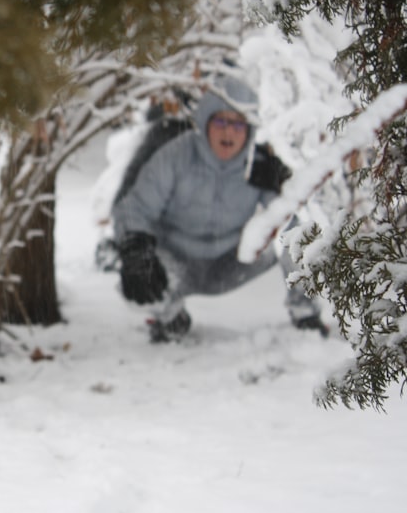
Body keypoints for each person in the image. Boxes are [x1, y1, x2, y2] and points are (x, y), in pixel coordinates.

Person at [110, 74, 329, 343]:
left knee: (295, 233)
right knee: (135, 280)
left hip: (231, 262)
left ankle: (304, 312)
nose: (228, 132)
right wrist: (135, 250)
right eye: (221, 121)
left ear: (249, 129)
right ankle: (170, 317)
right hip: (178, 263)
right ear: (205, 122)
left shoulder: (258, 165)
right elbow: (135, 207)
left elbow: (293, 219)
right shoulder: (176, 156)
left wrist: (284, 185)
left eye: (238, 124)